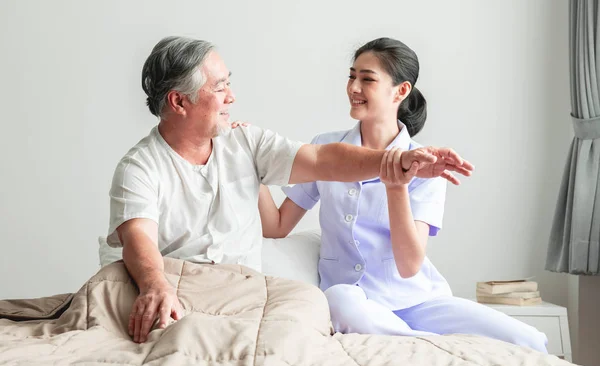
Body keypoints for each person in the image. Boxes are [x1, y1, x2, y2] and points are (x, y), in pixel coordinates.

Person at [108, 36, 470, 343]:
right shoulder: (139, 167)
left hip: (247, 295)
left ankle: (435, 346)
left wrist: (395, 165)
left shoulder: (245, 141)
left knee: (309, 309)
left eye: (228, 84)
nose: (232, 97)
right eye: (220, 88)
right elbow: (139, 240)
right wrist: (155, 284)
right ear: (179, 102)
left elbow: (323, 159)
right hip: (181, 291)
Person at [258, 37, 547, 353]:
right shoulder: (325, 149)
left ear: (401, 91)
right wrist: (250, 163)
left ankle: (418, 340)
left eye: (366, 79)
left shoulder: (426, 165)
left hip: (417, 300)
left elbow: (409, 266)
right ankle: (440, 350)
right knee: (338, 301)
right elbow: (278, 226)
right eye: (351, 76)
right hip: (356, 299)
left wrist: (397, 186)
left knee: (530, 340)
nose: (354, 87)